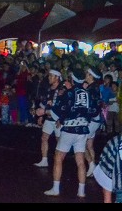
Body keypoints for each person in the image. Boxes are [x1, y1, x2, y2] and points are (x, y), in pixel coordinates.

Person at [45, 67, 100, 198]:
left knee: (58, 158)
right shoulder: (87, 93)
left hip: (69, 129)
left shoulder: (69, 93)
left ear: (73, 79)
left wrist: (47, 112)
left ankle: (56, 188)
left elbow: (57, 111)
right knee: (80, 160)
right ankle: (81, 191)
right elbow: (94, 111)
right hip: (82, 130)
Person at [33, 68, 63, 168]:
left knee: (59, 140)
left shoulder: (61, 90)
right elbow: (46, 103)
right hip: (49, 118)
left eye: (51, 76)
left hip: (58, 119)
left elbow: (61, 107)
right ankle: (44, 160)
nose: (49, 78)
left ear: (57, 77)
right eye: (49, 75)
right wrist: (41, 115)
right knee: (44, 137)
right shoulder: (50, 89)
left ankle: (59, 161)